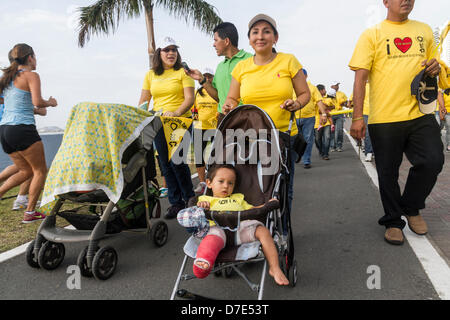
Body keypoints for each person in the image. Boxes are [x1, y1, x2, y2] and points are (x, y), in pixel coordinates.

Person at [349, 0, 445, 245]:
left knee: (433, 160)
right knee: (388, 173)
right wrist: (358, 117)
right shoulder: (372, 34)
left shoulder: (423, 30)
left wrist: (435, 67)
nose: (406, 0)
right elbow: (360, 78)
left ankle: (412, 207)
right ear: (386, 2)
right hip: (384, 118)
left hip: (419, 113)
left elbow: (435, 67)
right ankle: (393, 221)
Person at [223, 14, 311, 212]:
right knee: (254, 188)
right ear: (249, 39)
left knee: (282, 188)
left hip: (282, 137)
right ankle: (260, 230)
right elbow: (232, 99)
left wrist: (296, 103)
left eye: (266, 31)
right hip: (251, 138)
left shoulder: (288, 61)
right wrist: (228, 106)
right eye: (255, 32)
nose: (260, 36)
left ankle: (283, 232)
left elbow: (305, 94)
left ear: (275, 38)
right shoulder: (241, 68)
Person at [177, 164, 289, 285]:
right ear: (209, 183)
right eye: (221, 181)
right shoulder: (205, 199)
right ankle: (204, 261)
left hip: (240, 230)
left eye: (230, 183)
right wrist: (201, 206)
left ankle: (274, 267)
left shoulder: (238, 198)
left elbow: (254, 209)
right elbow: (195, 212)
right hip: (217, 230)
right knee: (212, 238)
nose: (226, 185)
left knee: (263, 231)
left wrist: (268, 204)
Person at [138, 36, 195, 219]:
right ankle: (175, 203)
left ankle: (189, 198)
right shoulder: (150, 75)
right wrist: (139, 118)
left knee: (177, 163)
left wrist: (176, 113)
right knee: (165, 165)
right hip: (158, 124)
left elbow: (189, 98)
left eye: (174, 50)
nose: (171, 53)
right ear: (159, 53)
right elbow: (144, 101)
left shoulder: (183, 73)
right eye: (167, 50)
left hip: (180, 122)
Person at [0, 43, 57, 223]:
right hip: (23, 129)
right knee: (40, 170)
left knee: (25, 171)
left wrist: (29, 109)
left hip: (5, 131)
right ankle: (30, 212)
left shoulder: (7, 78)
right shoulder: (31, 76)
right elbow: (37, 101)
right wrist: (50, 102)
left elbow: (9, 102)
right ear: (30, 57)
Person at [185, 22, 253, 115]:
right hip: (223, 119)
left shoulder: (251, 60)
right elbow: (218, 97)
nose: (213, 44)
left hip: (246, 118)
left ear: (226, 41)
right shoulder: (220, 66)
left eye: (216, 40)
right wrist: (202, 79)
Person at [192, 68, 218, 194]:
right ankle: (202, 183)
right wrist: (195, 123)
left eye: (210, 76)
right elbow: (194, 110)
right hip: (199, 127)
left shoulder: (216, 91)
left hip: (215, 127)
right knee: (198, 156)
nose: (207, 79)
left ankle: (215, 181)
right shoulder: (198, 92)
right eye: (205, 76)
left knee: (216, 155)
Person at [295, 70, 328, 168]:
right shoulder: (292, 87)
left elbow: (319, 101)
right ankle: (297, 156)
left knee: (308, 139)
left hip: (309, 118)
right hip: (294, 117)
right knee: (295, 139)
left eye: (302, 75)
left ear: (306, 76)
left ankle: (306, 160)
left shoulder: (312, 88)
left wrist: (324, 114)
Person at [315, 85, 334, 160]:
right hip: (317, 122)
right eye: (324, 89)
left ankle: (326, 154)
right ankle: (321, 151)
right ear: (321, 91)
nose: (325, 91)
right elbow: (319, 110)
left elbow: (333, 106)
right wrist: (325, 110)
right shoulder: (314, 99)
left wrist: (325, 109)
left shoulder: (327, 98)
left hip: (327, 122)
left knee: (327, 137)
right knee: (317, 139)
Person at [329, 82, 348, 152]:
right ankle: (332, 146)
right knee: (332, 131)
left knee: (339, 130)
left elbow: (346, 104)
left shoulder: (342, 94)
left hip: (340, 114)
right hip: (331, 114)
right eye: (336, 85)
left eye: (338, 85)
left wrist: (344, 103)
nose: (337, 86)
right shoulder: (328, 94)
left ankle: (339, 146)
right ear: (332, 86)